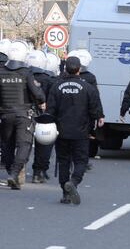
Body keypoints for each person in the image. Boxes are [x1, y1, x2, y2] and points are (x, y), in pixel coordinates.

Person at [46, 56, 103, 205]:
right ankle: (74, 181)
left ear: (65, 69)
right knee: (81, 160)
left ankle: (65, 194)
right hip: (81, 131)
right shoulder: (88, 87)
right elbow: (95, 108)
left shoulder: (56, 87)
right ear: (79, 69)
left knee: (63, 161)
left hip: (61, 131)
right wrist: (99, 119)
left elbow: (50, 111)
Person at [0, 41, 46, 189]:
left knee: (7, 145)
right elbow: (37, 94)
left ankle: (11, 172)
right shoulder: (26, 73)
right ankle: (14, 174)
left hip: (5, 114)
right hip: (23, 115)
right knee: (24, 145)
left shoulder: (1, 72)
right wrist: (41, 100)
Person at [27, 51, 56, 183]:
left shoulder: (24, 75)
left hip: (25, 113)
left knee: (23, 144)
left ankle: (18, 169)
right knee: (44, 145)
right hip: (45, 116)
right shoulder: (49, 80)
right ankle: (38, 172)